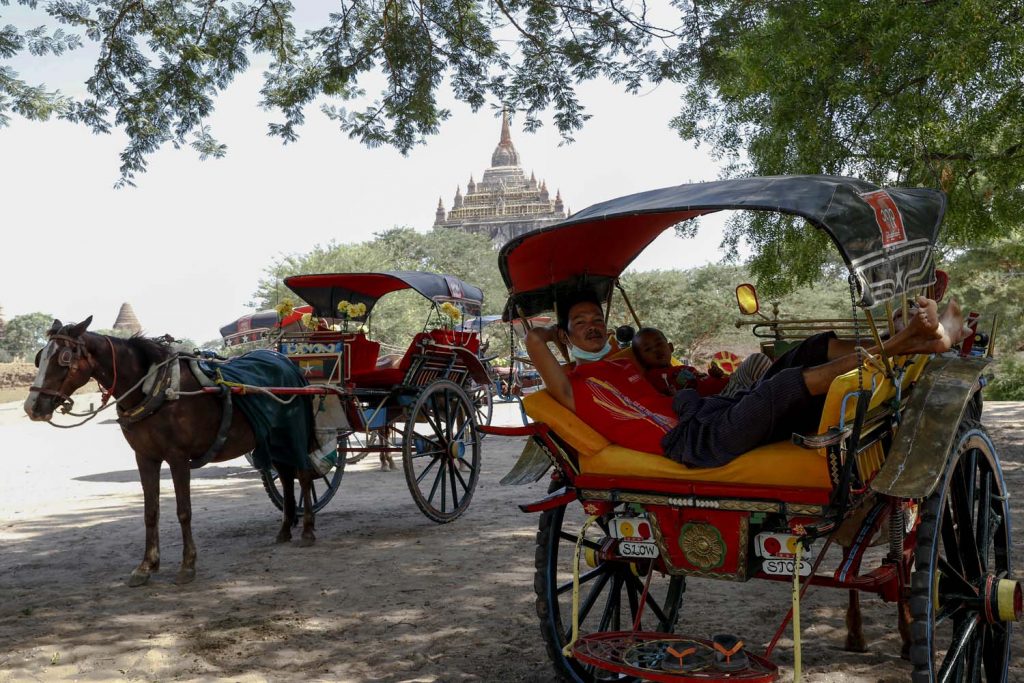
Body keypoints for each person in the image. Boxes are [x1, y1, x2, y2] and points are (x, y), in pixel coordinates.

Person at [525, 289, 965, 468]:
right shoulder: (571, 383)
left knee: (806, 350)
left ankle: (914, 339)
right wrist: (551, 335)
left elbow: (663, 361)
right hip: (692, 443)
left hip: (708, 415)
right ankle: (905, 342)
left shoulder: (622, 361)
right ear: (565, 334)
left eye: (596, 318)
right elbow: (532, 341)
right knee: (784, 383)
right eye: (580, 322)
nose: (592, 325)